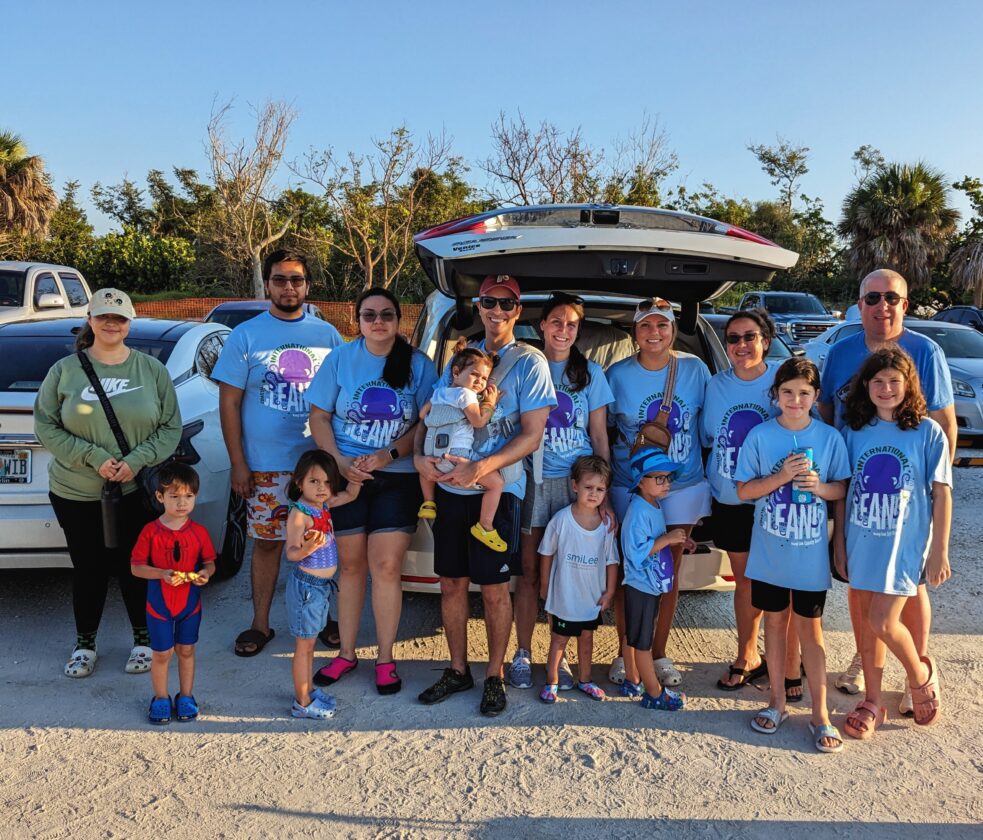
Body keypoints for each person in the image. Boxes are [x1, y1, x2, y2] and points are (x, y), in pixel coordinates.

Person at [415, 274, 555, 717]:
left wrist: (482, 466)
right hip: (450, 487)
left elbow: (532, 435)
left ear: (518, 311)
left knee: (495, 589)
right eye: (489, 302)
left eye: (507, 304)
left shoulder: (530, 362)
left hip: (498, 487)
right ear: (478, 307)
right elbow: (433, 413)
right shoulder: (462, 358)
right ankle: (458, 670)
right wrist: (419, 457)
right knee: (451, 583)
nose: (497, 311)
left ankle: (494, 674)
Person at [820, 268, 956, 710]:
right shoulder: (840, 352)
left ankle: (918, 666)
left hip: (907, 502)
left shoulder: (925, 351)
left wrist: (932, 494)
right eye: (873, 298)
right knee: (861, 588)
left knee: (909, 588)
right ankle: (866, 661)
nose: (882, 306)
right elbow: (826, 413)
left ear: (905, 304)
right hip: (857, 491)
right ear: (860, 305)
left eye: (891, 298)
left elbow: (944, 423)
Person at [34, 288, 182, 679]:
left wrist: (135, 461)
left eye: (119, 318)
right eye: (103, 317)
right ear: (90, 320)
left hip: (135, 490)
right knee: (89, 568)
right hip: (76, 491)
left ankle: (143, 640)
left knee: (137, 565)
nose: (111, 324)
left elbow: (171, 427)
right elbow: (45, 425)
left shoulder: (151, 370)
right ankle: (85, 644)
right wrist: (94, 458)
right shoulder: (64, 371)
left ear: (130, 322)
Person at [212, 249, 344, 658]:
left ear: (308, 285)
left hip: (319, 466)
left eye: (296, 279)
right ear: (267, 284)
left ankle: (324, 617)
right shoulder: (245, 336)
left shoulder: (328, 335)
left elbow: (341, 396)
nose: (289, 287)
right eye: (280, 279)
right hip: (265, 465)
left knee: (321, 541)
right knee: (267, 545)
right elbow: (229, 403)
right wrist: (238, 462)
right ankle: (261, 624)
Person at [308, 287, 437, 695]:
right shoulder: (340, 359)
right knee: (350, 568)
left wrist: (388, 454)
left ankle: (384, 659)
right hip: (346, 476)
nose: (378, 322)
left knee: (385, 567)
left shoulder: (419, 365)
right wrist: (338, 462)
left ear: (399, 320)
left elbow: (427, 422)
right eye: (369, 315)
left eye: (386, 314)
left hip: (397, 478)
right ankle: (346, 654)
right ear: (357, 320)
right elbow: (319, 416)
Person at [735, 358, 850, 753]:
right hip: (770, 552)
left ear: (816, 396)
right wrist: (781, 477)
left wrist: (819, 487)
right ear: (776, 394)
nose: (795, 400)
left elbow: (842, 489)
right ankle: (777, 702)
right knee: (774, 624)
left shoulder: (829, 438)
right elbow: (743, 490)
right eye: (787, 392)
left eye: (804, 393)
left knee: (811, 632)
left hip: (808, 556)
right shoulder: (761, 435)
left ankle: (820, 713)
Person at [835, 349, 951, 736]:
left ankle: (920, 674)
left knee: (883, 621)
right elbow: (843, 491)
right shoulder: (853, 432)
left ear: (908, 385)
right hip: (862, 542)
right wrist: (839, 545)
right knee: (868, 630)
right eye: (878, 382)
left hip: (904, 545)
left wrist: (939, 551)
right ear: (866, 386)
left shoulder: (927, 432)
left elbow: (942, 493)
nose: (886, 389)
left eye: (894, 382)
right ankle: (873, 700)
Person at [510, 292, 615, 691]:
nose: (563, 330)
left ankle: (562, 654)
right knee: (530, 570)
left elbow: (599, 436)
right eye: (556, 322)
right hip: (534, 480)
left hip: (577, 484)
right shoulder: (526, 367)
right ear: (541, 326)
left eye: (572, 324)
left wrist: (604, 494)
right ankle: (523, 652)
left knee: (569, 574)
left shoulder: (590, 374)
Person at [606, 297, 710, 689]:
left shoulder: (694, 369)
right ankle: (627, 653)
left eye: (662, 325)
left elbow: (709, 425)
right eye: (646, 325)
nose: (654, 333)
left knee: (668, 571)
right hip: (629, 485)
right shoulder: (617, 375)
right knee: (631, 571)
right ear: (635, 332)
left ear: (673, 330)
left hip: (683, 485)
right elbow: (604, 428)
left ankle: (659, 652)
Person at [701, 310, 803, 700]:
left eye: (750, 337)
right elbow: (709, 435)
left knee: (783, 580)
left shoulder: (782, 379)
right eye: (733, 338)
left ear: (766, 340)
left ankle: (791, 661)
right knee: (744, 580)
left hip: (776, 498)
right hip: (731, 497)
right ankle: (748, 654)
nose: (741, 345)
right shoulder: (715, 385)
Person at [130, 463, 216, 724]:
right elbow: (136, 568)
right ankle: (160, 698)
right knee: (162, 654)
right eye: (174, 496)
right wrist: (161, 574)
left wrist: (205, 573)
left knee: (186, 650)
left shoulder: (199, 532)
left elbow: (210, 562)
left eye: (188, 496)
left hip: (190, 605)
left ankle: (186, 696)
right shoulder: (150, 531)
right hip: (159, 606)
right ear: (160, 496)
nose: (182, 503)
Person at [283, 450, 362, 719]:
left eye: (327, 482)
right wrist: (307, 547)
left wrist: (357, 475)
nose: (322, 488)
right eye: (314, 481)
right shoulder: (299, 514)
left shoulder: (323, 505)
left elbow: (350, 495)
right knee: (304, 648)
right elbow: (291, 553)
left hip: (320, 587)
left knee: (310, 646)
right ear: (299, 482)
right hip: (307, 587)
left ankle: (308, 691)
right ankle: (302, 702)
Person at [536, 456, 619, 704]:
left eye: (600, 489)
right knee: (558, 640)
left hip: (591, 599)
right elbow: (546, 553)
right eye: (588, 487)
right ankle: (552, 682)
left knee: (586, 640)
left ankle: (585, 680)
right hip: (564, 597)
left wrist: (610, 592)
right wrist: (545, 585)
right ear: (575, 486)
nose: (593, 493)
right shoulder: (561, 520)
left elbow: (611, 561)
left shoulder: (606, 526)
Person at [620, 447, 694, 710]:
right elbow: (634, 552)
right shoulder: (638, 512)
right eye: (659, 478)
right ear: (641, 481)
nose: (666, 483)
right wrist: (667, 539)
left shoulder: (652, 505)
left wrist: (677, 540)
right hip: (641, 585)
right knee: (643, 643)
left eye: (668, 477)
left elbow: (655, 539)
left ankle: (632, 679)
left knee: (635, 634)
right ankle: (654, 693)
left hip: (648, 584)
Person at [417, 340, 507, 551]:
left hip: (431, 452)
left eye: (484, 378)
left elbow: (422, 414)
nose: (479, 382)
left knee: (425, 471)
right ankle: (485, 525)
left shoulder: (439, 392)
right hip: (456, 455)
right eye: (475, 374)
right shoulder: (465, 395)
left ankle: (428, 502)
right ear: (456, 372)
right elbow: (478, 422)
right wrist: (490, 403)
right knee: (496, 483)